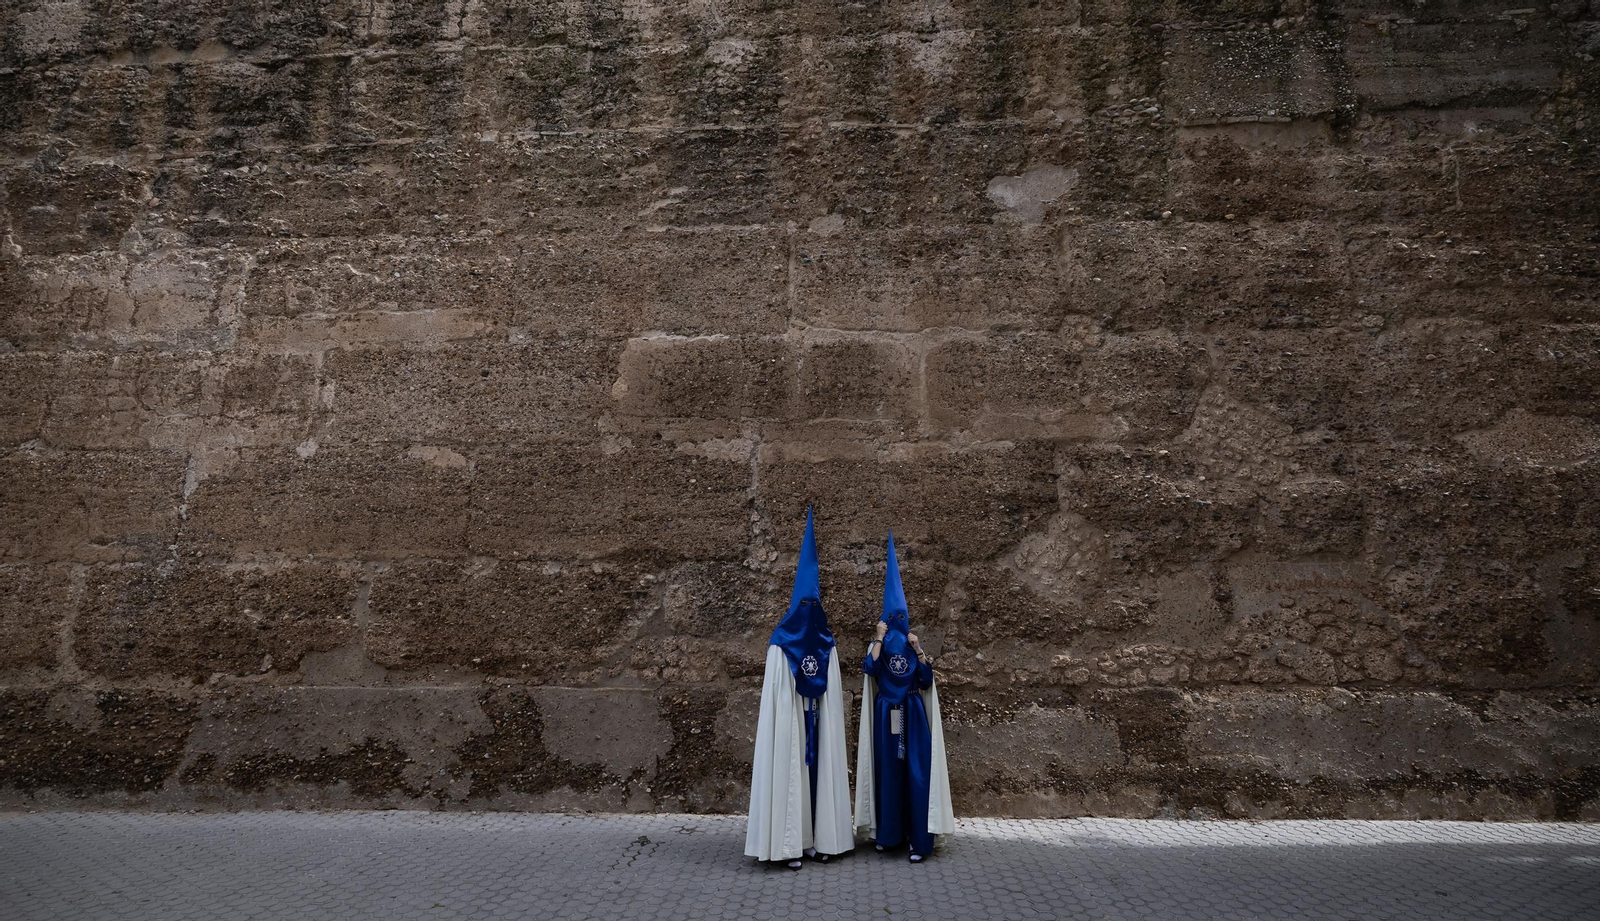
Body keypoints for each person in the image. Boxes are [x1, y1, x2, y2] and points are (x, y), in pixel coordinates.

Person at [745, 509, 854, 869]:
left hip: (817, 719)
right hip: (793, 721)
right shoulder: (780, 643)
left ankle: (822, 837)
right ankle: (791, 841)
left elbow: (831, 691)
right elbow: (778, 693)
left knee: (818, 772)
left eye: (814, 605)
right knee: (792, 770)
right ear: (795, 606)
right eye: (803, 605)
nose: (809, 611)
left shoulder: (826, 643)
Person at [854, 533, 954, 862]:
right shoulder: (878, 646)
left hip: (911, 713)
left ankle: (919, 841)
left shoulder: (913, 646)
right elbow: (869, 669)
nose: (897, 622)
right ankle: (889, 835)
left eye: (901, 617)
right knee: (888, 773)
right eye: (891, 618)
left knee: (916, 773)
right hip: (888, 715)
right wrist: (879, 638)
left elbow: (925, 681)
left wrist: (919, 650)